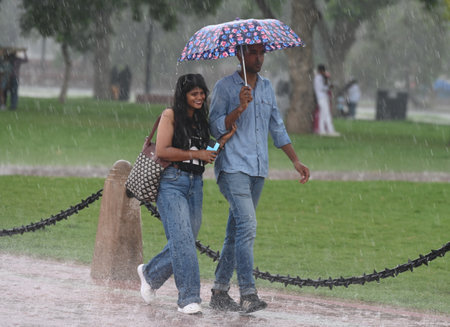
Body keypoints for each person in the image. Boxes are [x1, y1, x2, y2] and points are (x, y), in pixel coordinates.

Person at [208, 44, 310, 313]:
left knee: (235, 232)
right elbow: (214, 126)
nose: (259, 58)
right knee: (248, 226)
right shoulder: (224, 87)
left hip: (258, 171)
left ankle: (219, 291)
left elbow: (276, 125)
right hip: (232, 168)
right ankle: (248, 293)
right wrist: (239, 108)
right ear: (239, 54)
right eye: (253, 53)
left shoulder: (265, 87)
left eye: (262, 53)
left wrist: (295, 160)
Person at [136, 73, 236, 315]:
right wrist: (197, 155)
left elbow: (205, 153)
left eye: (202, 93)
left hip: (195, 185)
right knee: (183, 241)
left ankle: (150, 273)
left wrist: (220, 142)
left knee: (184, 242)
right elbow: (162, 150)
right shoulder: (170, 115)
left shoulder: (200, 120)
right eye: (194, 93)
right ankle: (188, 298)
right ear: (184, 95)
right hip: (172, 183)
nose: (199, 97)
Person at [314, 64, 339, 136]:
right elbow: (321, 88)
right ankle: (330, 130)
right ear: (321, 71)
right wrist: (329, 86)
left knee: (322, 115)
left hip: (322, 97)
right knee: (327, 114)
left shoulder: (319, 77)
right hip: (322, 97)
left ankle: (322, 130)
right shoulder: (318, 78)